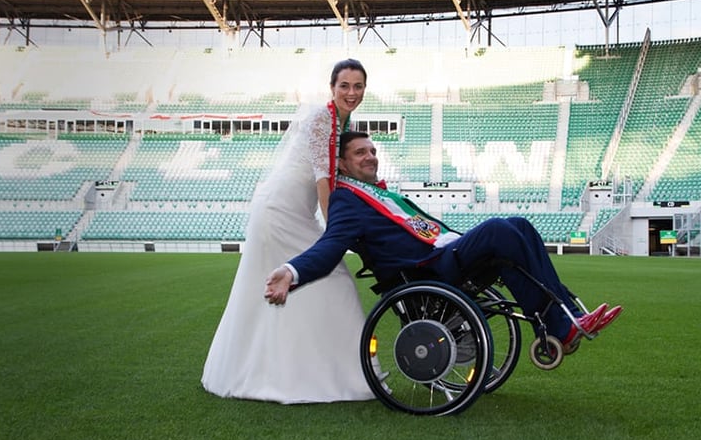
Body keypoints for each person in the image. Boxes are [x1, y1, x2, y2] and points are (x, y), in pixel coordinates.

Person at [266, 131, 622, 350]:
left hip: (440, 253)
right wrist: (291, 271)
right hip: (424, 269)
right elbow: (332, 245)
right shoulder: (347, 197)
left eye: (372, 151)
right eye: (360, 153)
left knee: (520, 225)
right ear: (341, 165)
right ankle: (558, 326)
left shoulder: (377, 193)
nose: (370, 157)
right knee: (499, 228)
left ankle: (570, 314)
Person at [201, 60, 375, 403]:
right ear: (332, 88)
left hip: (291, 210)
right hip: (281, 211)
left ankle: (301, 372)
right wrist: (334, 231)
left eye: (358, 86)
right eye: (345, 86)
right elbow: (323, 179)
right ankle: (348, 376)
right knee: (334, 280)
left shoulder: (343, 121)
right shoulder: (322, 119)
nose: (351, 93)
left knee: (289, 290)